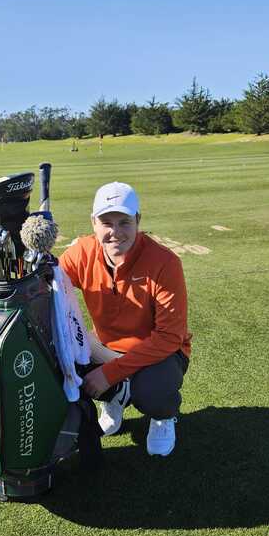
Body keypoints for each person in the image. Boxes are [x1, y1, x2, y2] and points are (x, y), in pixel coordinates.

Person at [59, 181, 192, 456]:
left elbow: (169, 337)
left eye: (124, 222)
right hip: (107, 346)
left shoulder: (165, 263)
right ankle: (115, 400)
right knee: (64, 360)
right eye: (106, 222)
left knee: (154, 391)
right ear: (93, 223)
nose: (115, 232)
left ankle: (163, 417)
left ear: (138, 221)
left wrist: (110, 374)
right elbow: (53, 285)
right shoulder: (82, 252)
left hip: (161, 353)